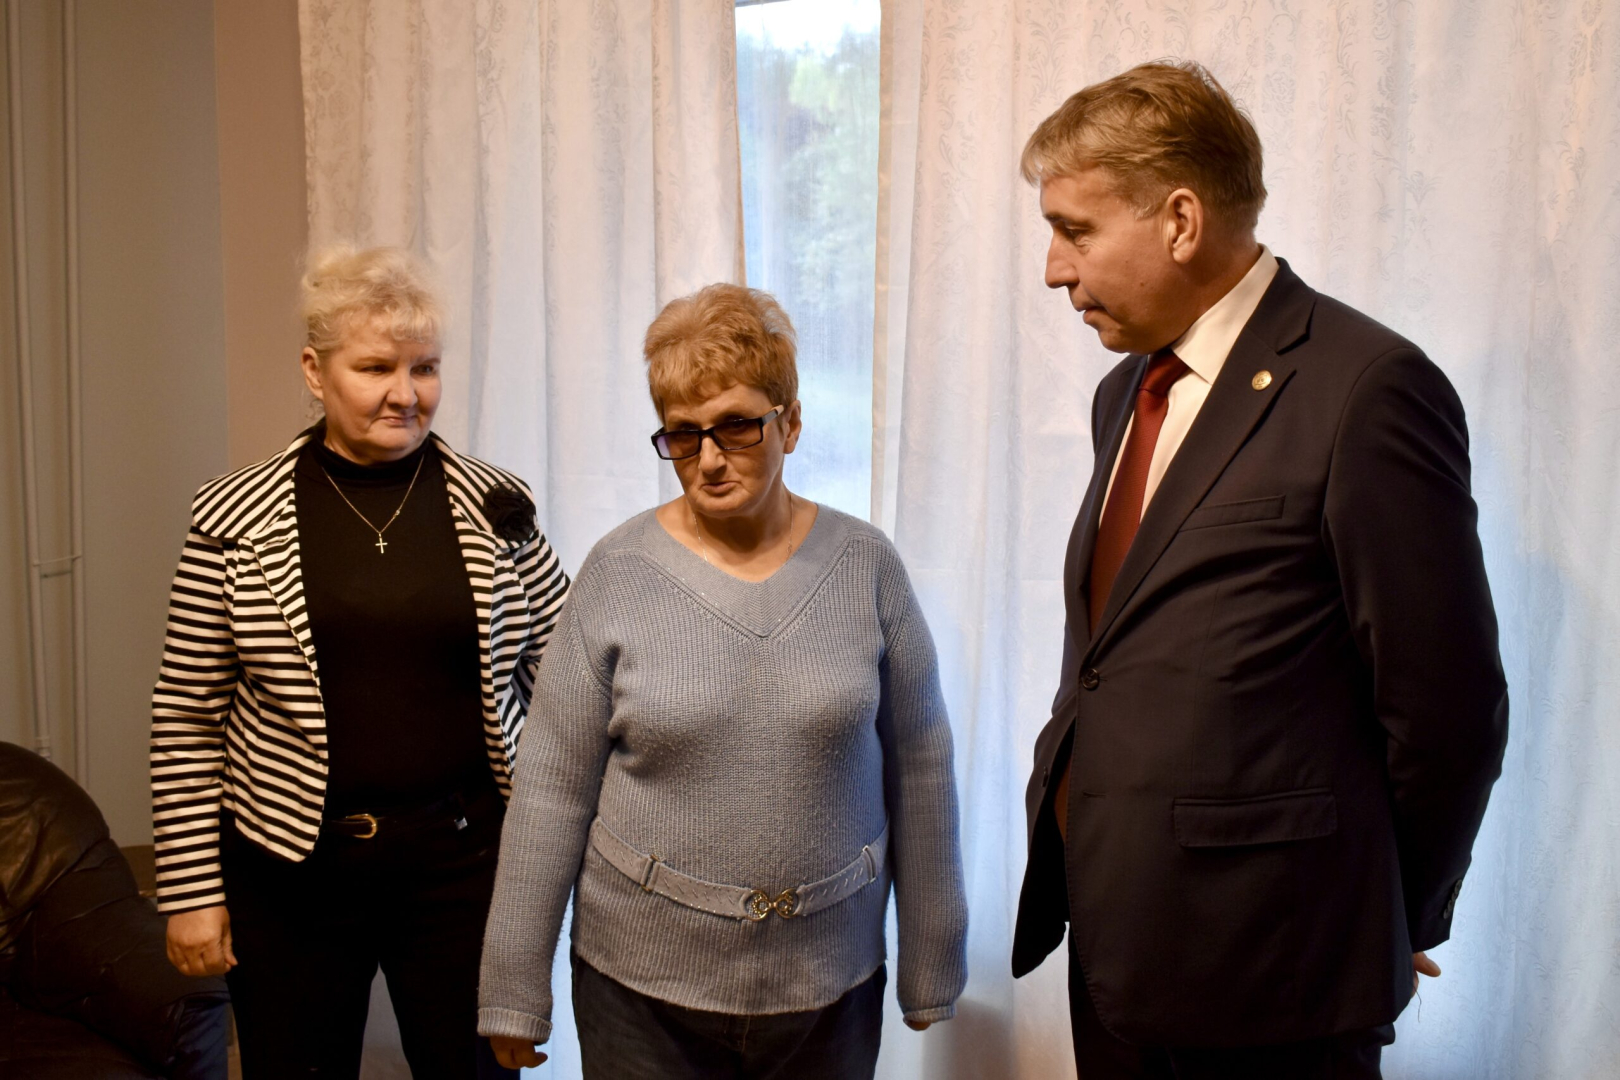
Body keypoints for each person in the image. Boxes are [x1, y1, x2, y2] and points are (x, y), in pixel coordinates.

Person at [1010, 62, 1508, 1078]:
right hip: (1118, 947)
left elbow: (1448, 707)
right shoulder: (1125, 393)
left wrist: (1388, 912)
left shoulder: (1367, 389)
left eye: (1075, 230)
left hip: (1277, 976)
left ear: (1180, 221)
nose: (1055, 269)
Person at [478, 283, 968, 1078]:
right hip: (639, 996)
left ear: (791, 423)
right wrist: (513, 987)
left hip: (830, 990)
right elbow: (552, 787)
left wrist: (932, 955)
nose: (708, 459)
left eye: (737, 426)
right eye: (683, 435)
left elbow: (921, 763)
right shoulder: (616, 573)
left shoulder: (866, 567)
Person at [150, 245, 570, 1078]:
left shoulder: (498, 504)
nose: (405, 393)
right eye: (376, 367)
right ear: (315, 371)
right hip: (289, 872)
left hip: (464, 867)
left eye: (425, 367)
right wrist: (192, 892)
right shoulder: (230, 517)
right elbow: (187, 717)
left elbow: (566, 679)